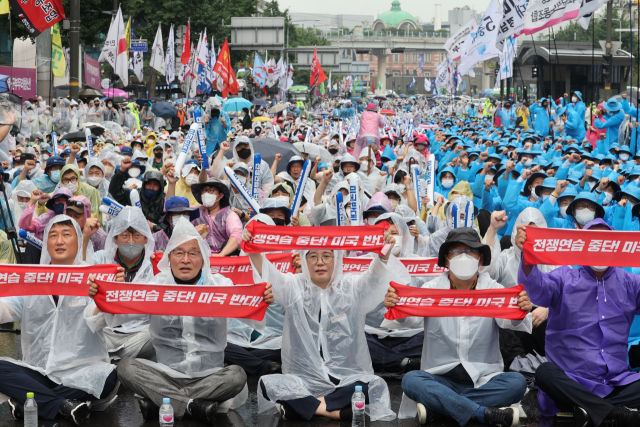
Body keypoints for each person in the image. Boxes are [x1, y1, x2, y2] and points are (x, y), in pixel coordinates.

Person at [89, 218, 272, 424]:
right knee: (125, 367)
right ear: (169, 258)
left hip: (209, 375)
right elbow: (115, 317)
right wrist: (102, 296)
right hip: (165, 374)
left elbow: (252, 317)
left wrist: (261, 299)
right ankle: (192, 405)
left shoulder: (220, 285)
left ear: (203, 259)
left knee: (236, 375)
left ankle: (164, 401)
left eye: (193, 253)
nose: (186, 259)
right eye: (179, 253)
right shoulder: (156, 287)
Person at [243, 224, 398, 422]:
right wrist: (252, 245)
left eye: (327, 255)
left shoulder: (352, 288)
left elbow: (374, 278)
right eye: (313, 256)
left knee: (372, 384)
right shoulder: (293, 287)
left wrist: (383, 254)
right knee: (268, 383)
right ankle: (333, 410)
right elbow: (268, 271)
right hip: (304, 379)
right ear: (304, 259)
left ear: (337, 258)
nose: (320, 262)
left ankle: (307, 407)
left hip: (344, 378)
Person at [386, 220, 532, 426]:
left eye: (471, 251)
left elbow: (511, 322)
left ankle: (443, 408)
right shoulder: (430, 290)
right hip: (440, 378)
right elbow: (407, 320)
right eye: (456, 251)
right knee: (411, 381)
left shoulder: (492, 290)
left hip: (483, 378)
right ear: (446, 259)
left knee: (516, 383)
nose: (464, 256)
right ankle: (482, 413)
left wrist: (521, 309)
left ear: (480, 258)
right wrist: (395, 305)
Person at [516, 218, 640, 427]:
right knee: (545, 373)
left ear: (616, 245)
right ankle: (612, 412)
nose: (599, 247)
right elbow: (537, 289)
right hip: (570, 379)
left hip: (615, 381)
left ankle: (589, 409)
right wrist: (528, 255)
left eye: (605, 241)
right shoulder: (565, 277)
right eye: (593, 241)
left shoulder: (629, 282)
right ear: (582, 244)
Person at [0, 216, 118, 425]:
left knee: (109, 377)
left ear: (78, 240)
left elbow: (98, 321)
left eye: (66, 235)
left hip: (82, 371)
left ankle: (31, 400)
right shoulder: (32, 279)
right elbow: (5, 311)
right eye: (52, 236)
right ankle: (62, 405)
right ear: (46, 243)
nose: (59, 241)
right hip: (40, 371)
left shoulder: (92, 279)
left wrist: (103, 297)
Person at [88, 207, 156, 360]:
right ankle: (121, 360)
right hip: (106, 331)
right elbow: (84, 286)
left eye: (137, 235)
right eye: (124, 235)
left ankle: (114, 359)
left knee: (159, 333)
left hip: (141, 335)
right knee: (82, 326)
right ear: (115, 239)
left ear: (146, 239)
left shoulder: (154, 265)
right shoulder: (101, 260)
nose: (131, 241)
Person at [190, 177, 242, 256]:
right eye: (204, 190)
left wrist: (221, 255)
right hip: (198, 256)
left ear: (220, 196)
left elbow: (237, 235)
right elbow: (172, 209)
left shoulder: (228, 215)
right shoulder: (193, 212)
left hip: (223, 259)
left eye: (211, 190)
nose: (206, 193)